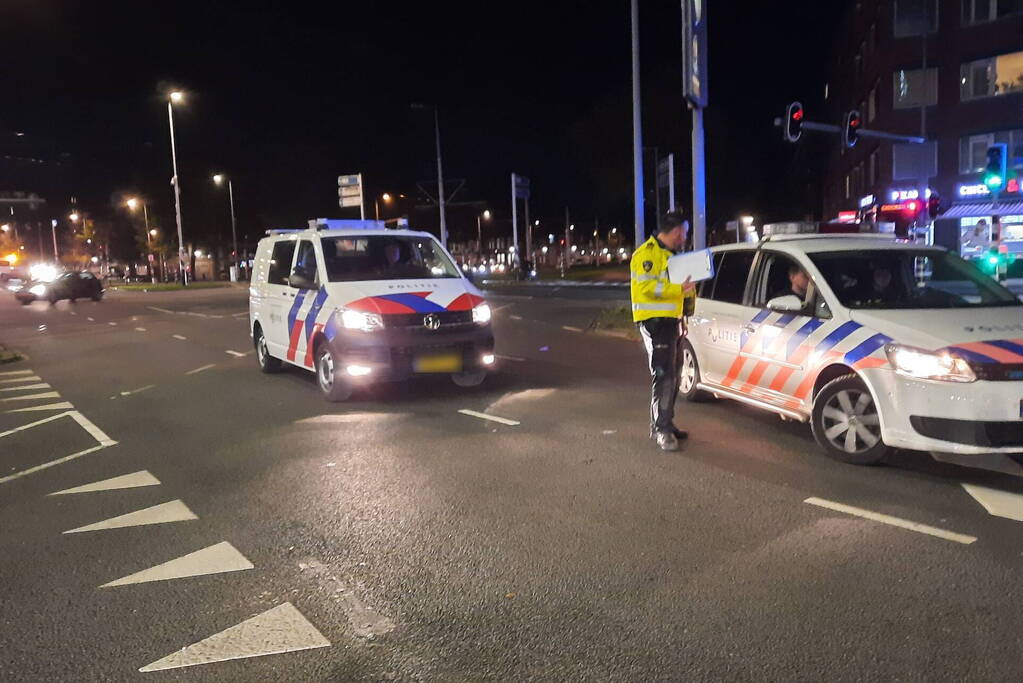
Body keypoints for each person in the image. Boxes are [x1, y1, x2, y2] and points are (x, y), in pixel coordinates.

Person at [630, 212, 696, 452]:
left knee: (674, 375)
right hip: (655, 323)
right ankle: (661, 430)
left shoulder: (672, 256)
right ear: (676, 230)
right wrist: (678, 288)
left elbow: (678, 291)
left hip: (672, 322)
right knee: (664, 376)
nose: (685, 237)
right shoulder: (646, 254)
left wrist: (685, 308)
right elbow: (646, 287)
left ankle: (664, 422)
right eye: (684, 232)